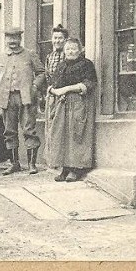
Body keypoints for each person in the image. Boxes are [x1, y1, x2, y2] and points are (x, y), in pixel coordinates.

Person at [0, 26, 46, 175]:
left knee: (29, 129)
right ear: (5, 39)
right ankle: (14, 163)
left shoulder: (29, 54)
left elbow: (41, 73)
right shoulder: (0, 56)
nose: (12, 41)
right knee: (9, 131)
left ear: (20, 39)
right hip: (6, 98)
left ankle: (32, 164)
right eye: (9, 38)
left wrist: (34, 87)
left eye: (15, 38)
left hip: (26, 97)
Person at [45, 38, 98, 183]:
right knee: (61, 134)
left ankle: (76, 169)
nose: (71, 51)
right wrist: (54, 90)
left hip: (79, 103)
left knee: (76, 134)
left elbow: (90, 83)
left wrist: (68, 88)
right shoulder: (61, 65)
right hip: (62, 104)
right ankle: (65, 168)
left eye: (74, 48)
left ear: (81, 50)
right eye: (68, 49)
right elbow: (53, 83)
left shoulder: (86, 64)